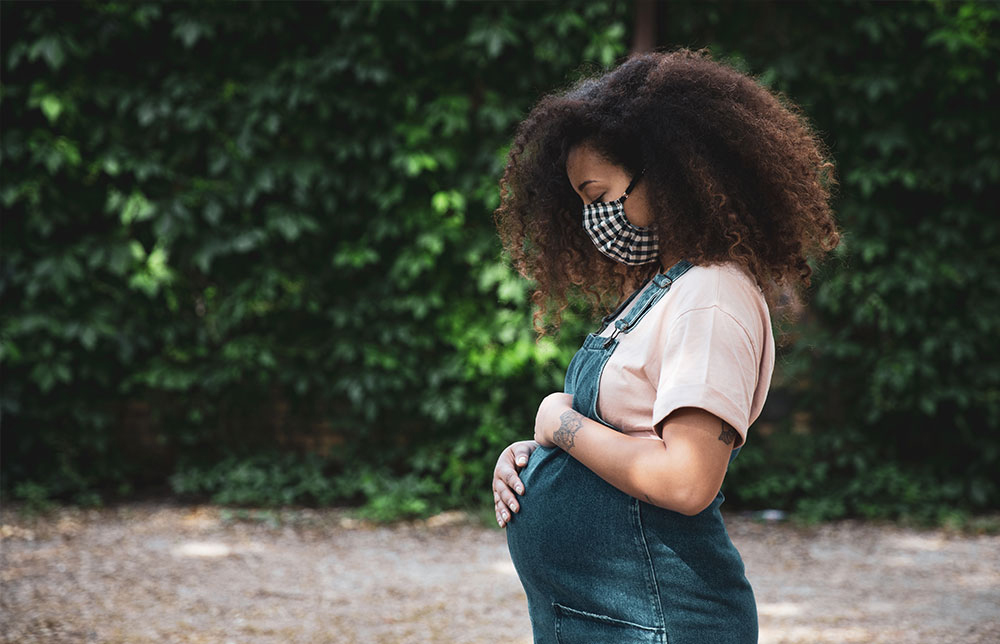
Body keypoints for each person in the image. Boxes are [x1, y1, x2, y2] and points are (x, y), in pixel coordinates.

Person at [490, 47, 840, 644]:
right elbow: (631, 437)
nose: (590, 218)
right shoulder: (661, 291)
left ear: (666, 171)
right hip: (607, 618)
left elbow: (685, 480)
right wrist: (533, 459)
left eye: (597, 194)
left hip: (658, 621)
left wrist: (560, 425)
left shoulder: (711, 295)